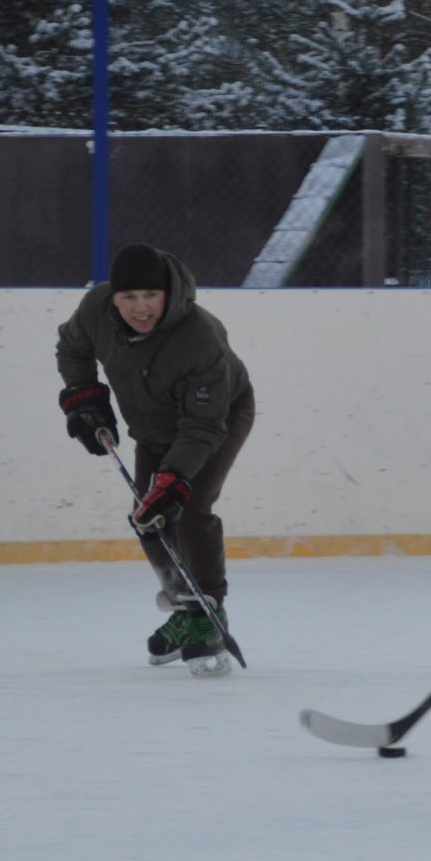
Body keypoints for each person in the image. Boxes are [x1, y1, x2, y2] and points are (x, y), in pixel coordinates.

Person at [56, 243, 255, 676]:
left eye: (150, 296)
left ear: (168, 293)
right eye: (129, 297)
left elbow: (203, 427)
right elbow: (72, 347)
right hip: (151, 424)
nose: (139, 308)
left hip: (216, 418)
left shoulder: (201, 339)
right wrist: (84, 398)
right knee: (147, 516)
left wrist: (175, 479)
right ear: (113, 297)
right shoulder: (95, 310)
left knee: (188, 507)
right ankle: (189, 605)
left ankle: (209, 612)